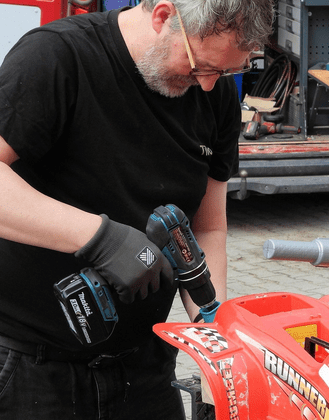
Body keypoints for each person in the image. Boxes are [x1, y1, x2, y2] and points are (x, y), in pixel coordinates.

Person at [0, 0, 274, 418]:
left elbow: (208, 229)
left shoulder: (214, 95)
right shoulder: (57, 58)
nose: (206, 85)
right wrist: (101, 239)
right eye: (200, 66)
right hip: (30, 368)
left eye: (223, 72)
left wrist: (212, 332)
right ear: (163, 17)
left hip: (144, 371)